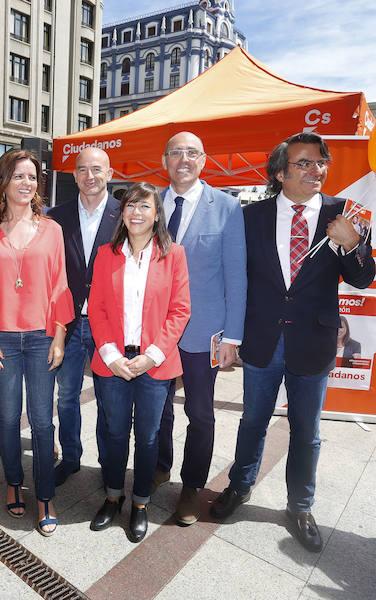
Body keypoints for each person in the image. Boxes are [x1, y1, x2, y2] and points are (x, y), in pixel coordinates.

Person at [210, 132, 375, 553]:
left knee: (307, 430)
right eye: (303, 163)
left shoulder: (345, 213)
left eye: (320, 162)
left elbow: (363, 278)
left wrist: (352, 243)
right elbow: (236, 278)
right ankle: (240, 486)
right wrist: (229, 334)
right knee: (253, 421)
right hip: (263, 338)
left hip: (313, 340)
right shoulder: (252, 217)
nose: (314, 169)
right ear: (280, 172)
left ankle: (300, 507)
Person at [0, 149, 73, 536]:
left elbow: (61, 285)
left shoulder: (52, 230)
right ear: (3, 182)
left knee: (43, 421)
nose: (26, 183)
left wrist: (61, 334)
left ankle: (45, 495)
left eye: (32, 177)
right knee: (9, 418)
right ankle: (14, 483)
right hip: (2, 337)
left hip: (42, 336)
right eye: (18, 176)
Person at [152, 131, 247, 526]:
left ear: (204, 160)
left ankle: (191, 486)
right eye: (176, 153)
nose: (184, 159)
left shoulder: (227, 207)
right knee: (157, 410)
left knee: (200, 412)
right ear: (165, 160)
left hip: (202, 332)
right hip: (154, 330)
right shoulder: (148, 204)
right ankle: (159, 467)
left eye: (192, 153)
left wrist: (232, 337)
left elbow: (236, 276)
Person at [87, 183, 190, 543]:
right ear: (122, 213)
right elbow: (96, 308)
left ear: (157, 213)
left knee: (147, 437)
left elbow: (180, 310)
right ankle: (113, 496)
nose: (137, 212)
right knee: (115, 434)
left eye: (145, 206)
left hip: (155, 363)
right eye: (131, 205)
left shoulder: (173, 254)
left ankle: (141, 504)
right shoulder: (105, 254)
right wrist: (112, 354)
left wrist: (152, 355)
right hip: (113, 361)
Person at [47, 147, 121, 487]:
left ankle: (109, 466)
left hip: (110, 325)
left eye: (97, 169)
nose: (89, 176)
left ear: (109, 173)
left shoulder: (126, 215)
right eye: (82, 170)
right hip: (69, 323)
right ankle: (72, 458)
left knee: (109, 400)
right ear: (74, 176)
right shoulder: (55, 217)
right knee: (66, 396)